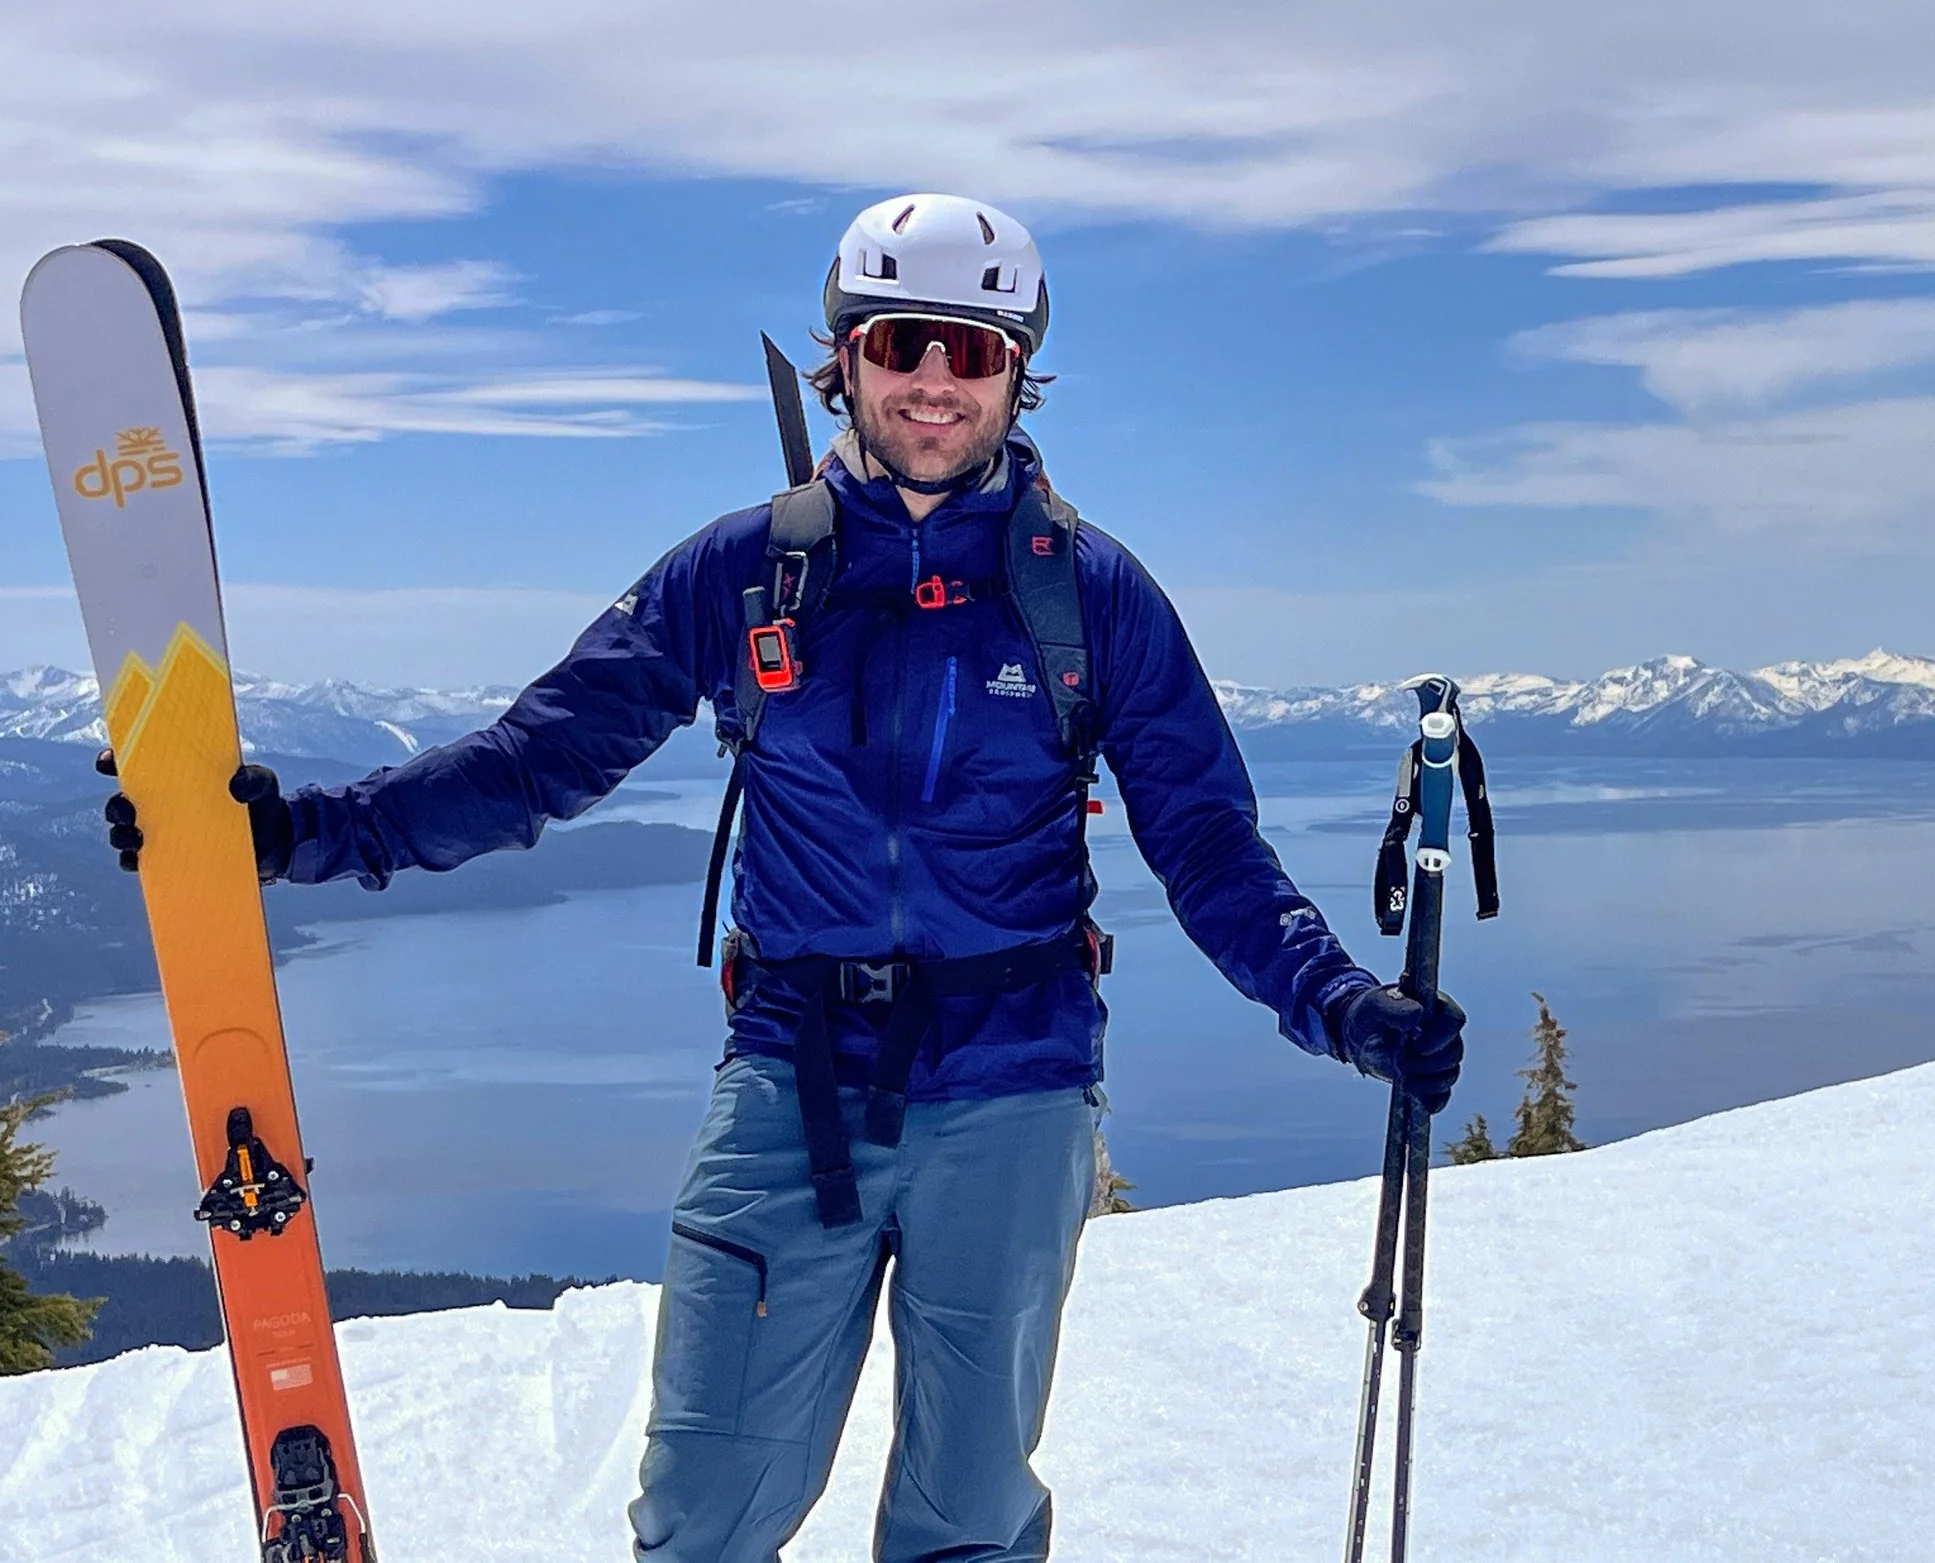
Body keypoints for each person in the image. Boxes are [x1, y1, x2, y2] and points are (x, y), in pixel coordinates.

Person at [107, 192, 1466, 1563]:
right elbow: (536, 760)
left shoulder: (1089, 596)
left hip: (1016, 1084)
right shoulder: (746, 573)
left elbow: (1207, 843)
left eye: (974, 351)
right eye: (904, 341)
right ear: (849, 356)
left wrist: (1342, 1003)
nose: (936, 379)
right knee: (703, 1511)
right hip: (791, 1078)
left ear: (1016, 374)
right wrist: (309, 832)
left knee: (970, 1521)